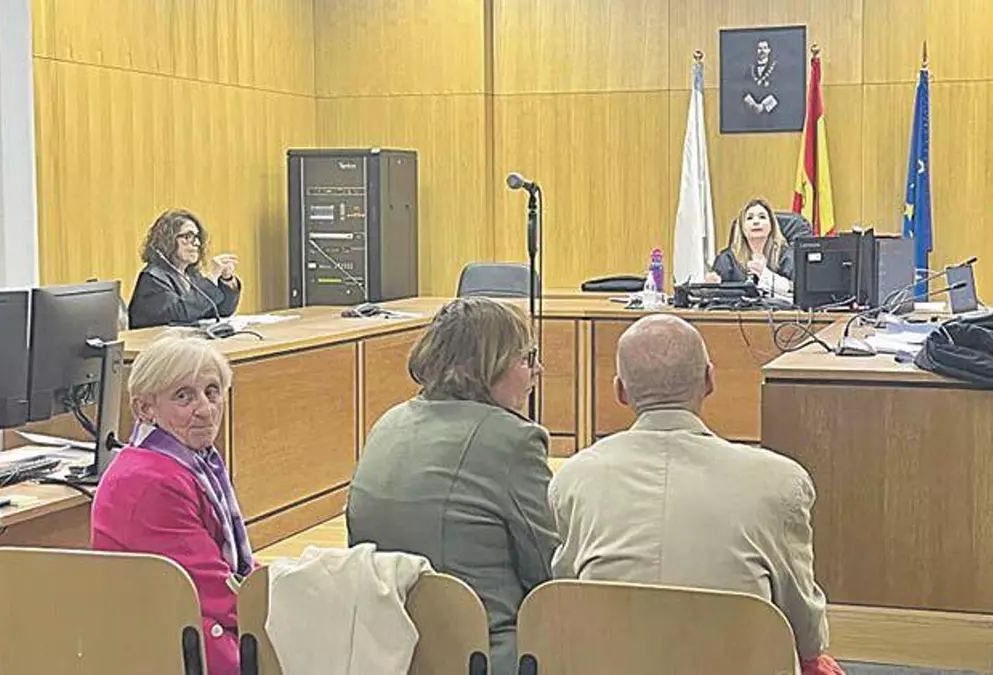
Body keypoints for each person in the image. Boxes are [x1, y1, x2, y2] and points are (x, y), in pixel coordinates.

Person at [548, 314, 842, 675]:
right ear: (709, 380)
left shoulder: (574, 478)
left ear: (620, 391)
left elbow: (566, 602)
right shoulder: (779, 482)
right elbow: (807, 634)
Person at [346, 297, 559, 675]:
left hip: (385, 647)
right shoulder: (514, 440)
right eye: (527, 358)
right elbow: (548, 575)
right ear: (488, 365)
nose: (538, 370)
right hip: (483, 651)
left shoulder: (389, 422)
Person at [91, 329, 255, 675]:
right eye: (184, 396)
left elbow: (232, 572)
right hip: (167, 645)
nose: (206, 409)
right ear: (145, 408)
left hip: (186, 627)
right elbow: (212, 593)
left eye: (212, 392)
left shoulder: (188, 460)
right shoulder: (151, 482)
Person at [128, 209, 242, 329]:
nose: (197, 243)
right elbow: (180, 314)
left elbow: (221, 311)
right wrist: (211, 278)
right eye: (188, 237)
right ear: (168, 240)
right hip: (157, 340)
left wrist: (226, 279)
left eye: (197, 237)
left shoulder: (192, 276)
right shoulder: (153, 278)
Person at [704, 198, 793, 297]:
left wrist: (765, 275)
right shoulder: (727, 258)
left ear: (771, 224)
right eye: (749, 218)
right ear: (742, 227)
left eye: (762, 217)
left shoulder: (786, 255)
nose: (756, 222)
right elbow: (716, 296)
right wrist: (712, 286)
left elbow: (795, 290)